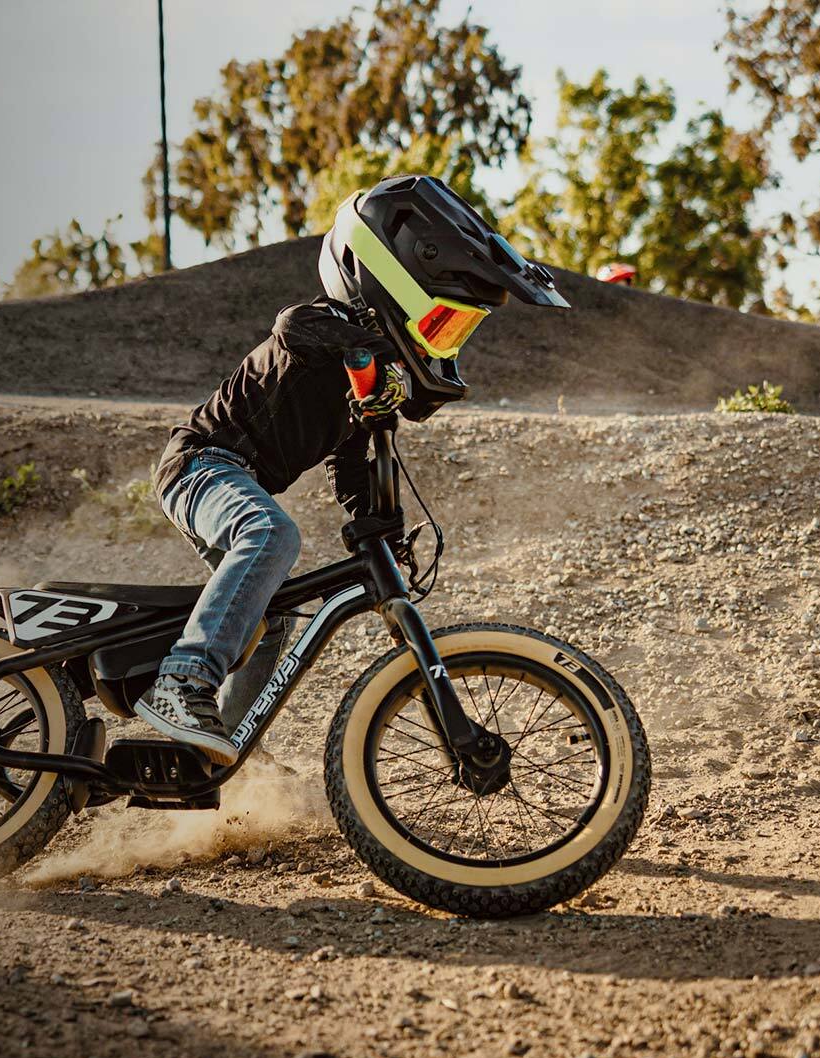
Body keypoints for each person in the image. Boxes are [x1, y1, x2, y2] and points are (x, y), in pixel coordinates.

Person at [135, 174, 570, 765]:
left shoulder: (355, 381)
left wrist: (380, 527)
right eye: (444, 323)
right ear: (394, 287)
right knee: (270, 534)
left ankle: (216, 752)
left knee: (273, 621)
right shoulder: (321, 328)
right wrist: (377, 352)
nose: (446, 342)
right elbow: (293, 326)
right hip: (200, 465)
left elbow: (349, 471)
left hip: (237, 477)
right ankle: (183, 679)